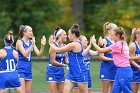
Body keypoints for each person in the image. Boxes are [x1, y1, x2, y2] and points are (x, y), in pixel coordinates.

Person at [91, 27, 133, 93]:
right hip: (120, 70)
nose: (112, 37)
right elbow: (111, 52)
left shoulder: (117, 44)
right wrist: (104, 46)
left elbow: (101, 50)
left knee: (127, 91)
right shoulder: (123, 43)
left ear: (118, 36)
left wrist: (93, 43)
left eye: (114, 35)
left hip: (124, 70)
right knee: (115, 91)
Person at [49, 24, 88, 93]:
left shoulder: (74, 44)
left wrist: (51, 44)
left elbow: (58, 50)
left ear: (73, 34)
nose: (67, 36)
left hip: (79, 72)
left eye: (68, 34)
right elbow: (66, 54)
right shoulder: (72, 44)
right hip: (72, 72)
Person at [16, 25, 46, 93]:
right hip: (20, 68)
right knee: (22, 92)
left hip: (28, 68)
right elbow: (25, 54)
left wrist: (42, 46)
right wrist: (32, 45)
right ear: (24, 33)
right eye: (30, 31)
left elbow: (39, 55)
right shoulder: (19, 42)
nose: (32, 32)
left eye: (32, 31)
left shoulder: (31, 42)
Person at [46, 26, 68, 93]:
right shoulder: (53, 46)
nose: (66, 36)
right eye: (64, 35)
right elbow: (53, 61)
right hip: (52, 71)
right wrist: (64, 65)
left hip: (61, 72)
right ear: (59, 35)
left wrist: (72, 63)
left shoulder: (65, 46)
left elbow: (66, 60)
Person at [98, 22, 117, 93]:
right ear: (109, 31)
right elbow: (101, 56)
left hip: (115, 68)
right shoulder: (104, 41)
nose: (116, 31)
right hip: (106, 68)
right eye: (114, 30)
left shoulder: (116, 41)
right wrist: (112, 59)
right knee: (104, 91)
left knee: (114, 90)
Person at [129, 28, 140, 93]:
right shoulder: (133, 45)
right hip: (134, 70)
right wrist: (138, 67)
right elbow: (130, 60)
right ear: (137, 35)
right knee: (133, 91)